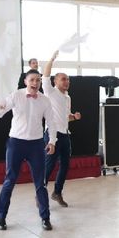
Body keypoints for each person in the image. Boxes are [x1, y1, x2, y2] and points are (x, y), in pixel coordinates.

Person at [0, 69, 57, 231]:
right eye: (32, 80)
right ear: (25, 82)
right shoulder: (15, 95)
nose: (36, 83)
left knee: (40, 183)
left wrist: (52, 141)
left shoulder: (45, 100)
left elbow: (51, 122)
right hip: (16, 143)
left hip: (36, 145)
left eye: (38, 80)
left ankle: (45, 218)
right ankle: (1, 217)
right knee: (10, 180)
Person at [42, 51, 81, 207]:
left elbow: (66, 117)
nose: (67, 82)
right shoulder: (50, 91)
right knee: (49, 166)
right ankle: (40, 193)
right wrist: (51, 59)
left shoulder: (67, 97)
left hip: (65, 135)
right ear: (55, 81)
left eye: (68, 79)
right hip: (52, 136)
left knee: (65, 165)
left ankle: (57, 192)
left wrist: (74, 117)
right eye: (63, 79)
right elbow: (45, 75)